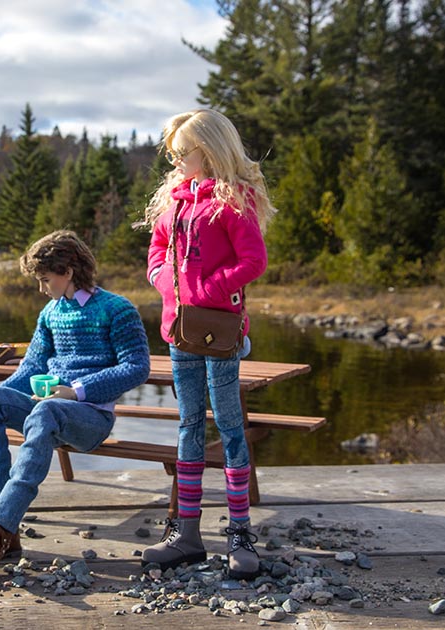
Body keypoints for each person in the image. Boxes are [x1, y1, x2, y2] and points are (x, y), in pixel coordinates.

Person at [0, 229, 150, 567]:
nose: (41, 288)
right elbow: (31, 366)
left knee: (45, 411)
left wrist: (77, 391)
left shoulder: (118, 310)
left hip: (91, 418)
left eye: (45, 279)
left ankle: (0, 529)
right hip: (46, 410)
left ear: (68, 272)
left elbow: (137, 367)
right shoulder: (50, 313)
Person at [138, 109, 276, 579]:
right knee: (189, 425)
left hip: (219, 329)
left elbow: (252, 260)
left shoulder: (231, 200)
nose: (175, 160)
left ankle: (240, 533)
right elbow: (157, 251)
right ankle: (188, 533)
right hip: (180, 332)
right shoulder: (174, 202)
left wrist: (210, 288)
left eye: (183, 153)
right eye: (173, 153)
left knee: (231, 427)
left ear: (210, 151)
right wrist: (162, 279)